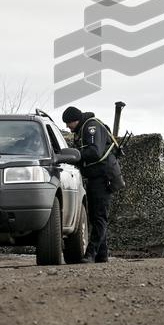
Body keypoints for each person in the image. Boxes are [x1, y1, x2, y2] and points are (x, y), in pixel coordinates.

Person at [63, 105, 124, 264]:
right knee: (95, 217)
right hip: (95, 177)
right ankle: (102, 254)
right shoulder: (82, 129)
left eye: (68, 124)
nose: (68, 128)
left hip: (103, 177)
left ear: (74, 120)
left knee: (99, 217)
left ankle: (91, 253)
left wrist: (76, 155)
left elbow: (94, 152)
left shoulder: (91, 127)